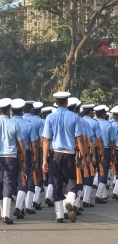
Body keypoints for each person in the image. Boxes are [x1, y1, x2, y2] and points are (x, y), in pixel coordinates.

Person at [42, 92, 88, 223]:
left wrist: (45, 159)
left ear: (56, 103)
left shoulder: (50, 117)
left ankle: (59, 215)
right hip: (70, 154)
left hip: (55, 153)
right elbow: (80, 139)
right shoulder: (74, 117)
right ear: (67, 103)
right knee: (72, 180)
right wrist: (83, 156)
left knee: (57, 182)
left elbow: (46, 139)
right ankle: (69, 201)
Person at [10, 99, 39, 218]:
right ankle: (18, 207)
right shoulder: (28, 124)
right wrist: (36, 159)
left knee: (13, 179)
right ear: (22, 111)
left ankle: (20, 207)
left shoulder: (8, 123)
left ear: (11, 111)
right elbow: (34, 144)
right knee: (24, 179)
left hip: (10, 153)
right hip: (24, 153)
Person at [94, 105, 115, 202]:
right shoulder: (108, 125)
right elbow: (112, 141)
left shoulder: (93, 123)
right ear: (103, 114)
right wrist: (113, 152)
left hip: (93, 148)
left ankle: (103, 195)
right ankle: (99, 195)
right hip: (105, 148)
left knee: (97, 171)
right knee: (103, 172)